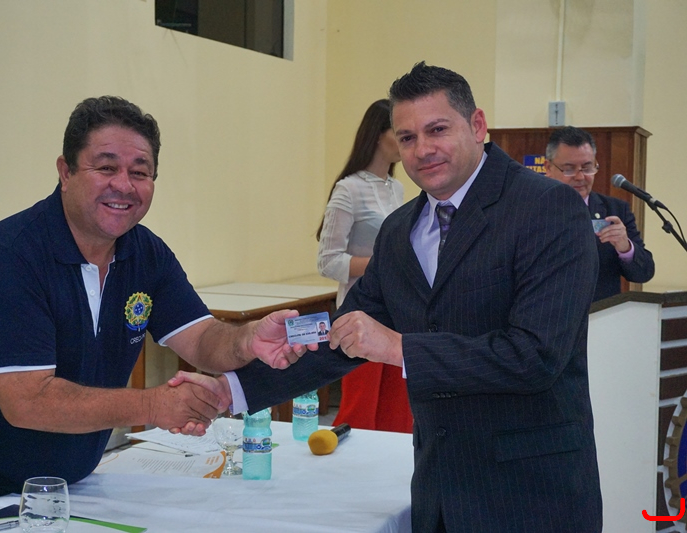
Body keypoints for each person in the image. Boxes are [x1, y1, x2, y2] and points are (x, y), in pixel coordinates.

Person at [176, 61, 603, 532]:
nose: (423, 149)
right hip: (438, 490)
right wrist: (232, 389)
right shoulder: (400, 230)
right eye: (407, 137)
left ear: (477, 125)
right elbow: (344, 333)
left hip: (531, 493)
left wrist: (398, 347)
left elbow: (535, 356)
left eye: (437, 130)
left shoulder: (548, 207)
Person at [0, 96, 309, 529]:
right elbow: (28, 401)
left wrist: (247, 338)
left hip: (70, 488)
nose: (124, 185)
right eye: (106, 167)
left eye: (140, 172)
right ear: (65, 172)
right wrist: (155, 405)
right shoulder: (9, 258)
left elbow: (201, 338)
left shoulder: (145, 253)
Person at [316, 99, 412, 433]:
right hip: (361, 314)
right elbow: (328, 261)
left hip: (398, 312)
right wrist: (384, 264)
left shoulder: (397, 188)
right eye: (399, 132)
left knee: (398, 413)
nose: (406, 141)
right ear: (377, 134)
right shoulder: (349, 188)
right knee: (360, 412)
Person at [544, 126, 655, 301]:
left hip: (601, 313)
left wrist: (625, 247)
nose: (580, 177)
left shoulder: (615, 210)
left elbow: (644, 273)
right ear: (548, 168)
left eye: (587, 168)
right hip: (548, 313)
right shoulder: (530, 210)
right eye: (569, 169)